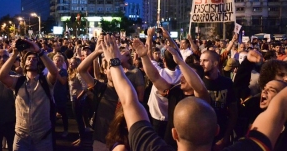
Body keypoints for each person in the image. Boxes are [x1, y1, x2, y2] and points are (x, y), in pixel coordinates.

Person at [100, 34, 287, 151]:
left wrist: (114, 62)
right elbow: (276, 114)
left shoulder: (151, 146)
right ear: (216, 131)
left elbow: (129, 101)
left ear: (174, 133)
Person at [0, 39, 58, 151]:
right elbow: (1, 76)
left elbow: (54, 72)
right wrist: (14, 54)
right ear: (24, 63)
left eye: (35, 59)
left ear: (39, 63)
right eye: (29, 59)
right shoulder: (18, 82)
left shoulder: (45, 82)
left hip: (43, 136)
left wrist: (39, 52)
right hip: (21, 136)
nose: (31, 61)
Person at [77, 36, 119, 151]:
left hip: (121, 141)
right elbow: (81, 70)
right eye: (110, 66)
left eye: (115, 66)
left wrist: (115, 58)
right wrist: (97, 51)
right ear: (105, 71)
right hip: (101, 139)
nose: (113, 69)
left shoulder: (126, 89)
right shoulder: (101, 87)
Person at [200, 50, 238, 150]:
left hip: (221, 133)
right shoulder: (199, 83)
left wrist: (225, 138)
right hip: (202, 135)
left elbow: (233, 112)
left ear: (215, 63)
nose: (201, 64)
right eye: (200, 60)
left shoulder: (227, 82)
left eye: (205, 61)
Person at [52, 53, 69, 138]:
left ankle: (66, 130)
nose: (57, 62)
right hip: (52, 94)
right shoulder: (49, 70)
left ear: (62, 62)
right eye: (56, 60)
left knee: (63, 113)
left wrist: (56, 74)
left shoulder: (63, 71)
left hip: (61, 94)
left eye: (59, 60)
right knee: (52, 113)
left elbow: (63, 81)